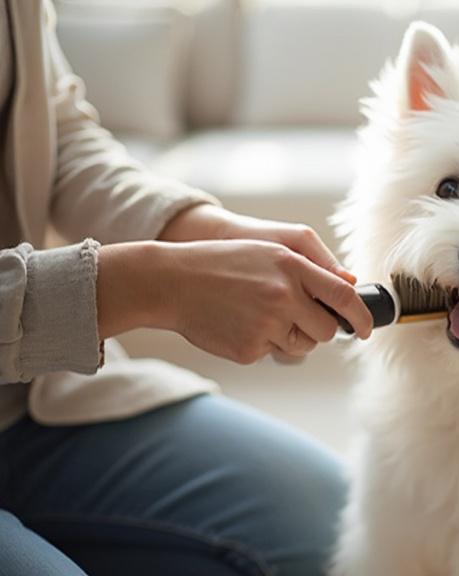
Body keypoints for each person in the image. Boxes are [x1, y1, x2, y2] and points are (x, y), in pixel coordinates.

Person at [0, 2, 373, 574]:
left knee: (342, 534)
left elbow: (60, 134)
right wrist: (154, 286)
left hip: (34, 405)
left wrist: (208, 232)